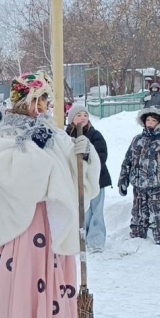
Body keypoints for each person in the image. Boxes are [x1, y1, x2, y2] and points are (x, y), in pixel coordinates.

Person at [0, 71, 101, 318]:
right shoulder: (6, 135)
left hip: (53, 220)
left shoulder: (54, 133)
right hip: (24, 224)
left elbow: (70, 170)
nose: (45, 105)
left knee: (54, 277)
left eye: (47, 98)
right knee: (26, 278)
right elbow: (8, 172)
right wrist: (35, 150)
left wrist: (84, 155)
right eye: (40, 98)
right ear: (25, 100)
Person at [117, 106, 160, 245]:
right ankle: (138, 234)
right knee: (138, 212)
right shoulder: (137, 140)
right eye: (148, 119)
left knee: (159, 212)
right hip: (139, 184)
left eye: (154, 120)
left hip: (159, 185)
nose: (150, 122)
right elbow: (127, 161)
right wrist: (123, 180)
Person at [65, 105, 112, 252]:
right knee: (82, 210)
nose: (83, 118)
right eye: (79, 115)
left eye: (85, 115)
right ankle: (80, 239)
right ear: (72, 118)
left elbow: (101, 155)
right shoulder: (66, 136)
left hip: (97, 179)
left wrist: (86, 156)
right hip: (76, 180)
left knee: (96, 210)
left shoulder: (94, 134)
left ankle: (96, 240)